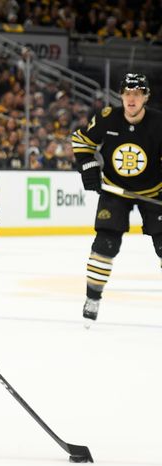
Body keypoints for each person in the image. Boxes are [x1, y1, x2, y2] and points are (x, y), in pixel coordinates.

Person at [71, 73, 162, 325]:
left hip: (154, 192)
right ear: (121, 95)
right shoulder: (107, 117)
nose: (131, 99)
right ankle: (93, 297)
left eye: (137, 94)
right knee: (105, 245)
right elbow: (81, 140)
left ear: (145, 97)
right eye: (127, 93)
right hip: (115, 191)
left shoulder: (158, 122)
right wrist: (89, 165)